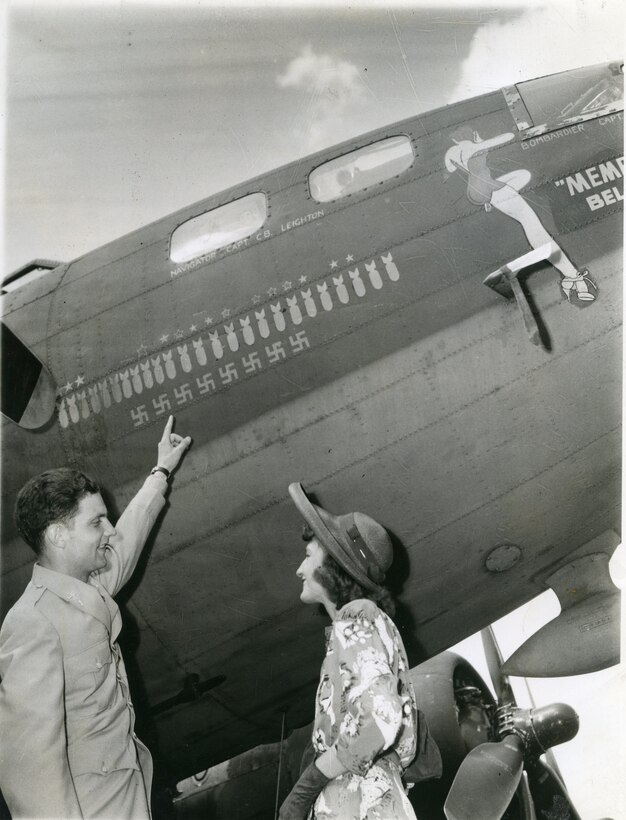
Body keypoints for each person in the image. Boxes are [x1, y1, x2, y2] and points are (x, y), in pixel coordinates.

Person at [0, 415, 191, 819]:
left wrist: (160, 473)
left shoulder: (88, 588)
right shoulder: (33, 623)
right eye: (96, 522)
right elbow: (29, 770)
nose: (110, 530)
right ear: (58, 535)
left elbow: (129, 540)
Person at [279, 483, 419, 820]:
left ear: (332, 565)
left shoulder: (356, 619)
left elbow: (381, 717)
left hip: (357, 800)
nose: (299, 569)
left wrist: (308, 784)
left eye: (308, 555)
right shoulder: (368, 623)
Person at [444, 127, 597, 304]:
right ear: (473, 134)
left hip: (477, 191)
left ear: (455, 140)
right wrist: (480, 142)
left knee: (523, 175)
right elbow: (507, 136)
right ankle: (572, 277)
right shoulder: (474, 146)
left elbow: (450, 168)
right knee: (534, 228)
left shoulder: (452, 152)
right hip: (493, 189)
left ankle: (495, 200)